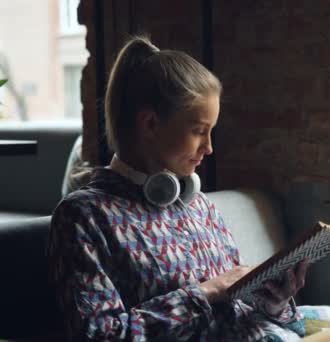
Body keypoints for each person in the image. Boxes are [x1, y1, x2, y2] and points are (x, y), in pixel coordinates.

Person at [47, 36, 309, 341]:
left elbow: (243, 306)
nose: (209, 148)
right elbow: (100, 334)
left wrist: (275, 302)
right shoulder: (83, 217)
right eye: (199, 131)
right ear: (150, 125)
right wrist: (205, 292)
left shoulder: (199, 205)